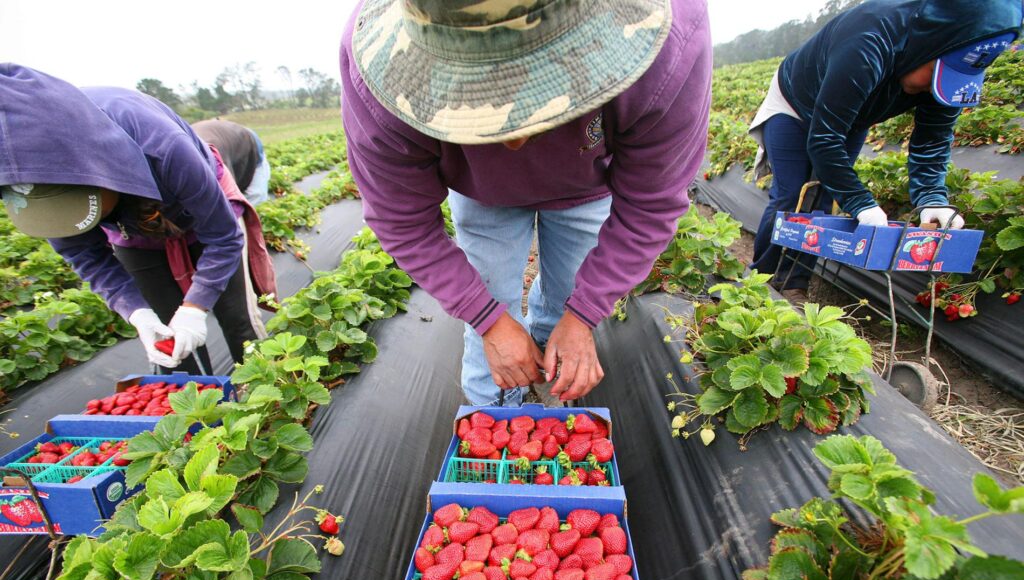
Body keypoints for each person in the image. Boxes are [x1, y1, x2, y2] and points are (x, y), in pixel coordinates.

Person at [342, 0, 711, 406]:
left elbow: (650, 204)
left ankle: (554, 396)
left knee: (566, 304)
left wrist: (583, 314)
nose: (513, 139)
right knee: (490, 313)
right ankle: (493, 420)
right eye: (477, 98)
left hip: (584, 184)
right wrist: (488, 320)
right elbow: (403, 223)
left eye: (538, 91)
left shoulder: (667, 44)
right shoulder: (380, 80)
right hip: (481, 192)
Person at [0, 64, 274, 374]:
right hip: (132, 234)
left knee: (237, 319)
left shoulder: (163, 146)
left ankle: (262, 397)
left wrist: (195, 308)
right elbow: (83, 253)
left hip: (197, 213)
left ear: (101, 171)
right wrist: (135, 312)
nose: (72, 220)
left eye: (77, 205)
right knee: (168, 337)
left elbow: (223, 238)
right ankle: (198, 410)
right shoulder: (30, 169)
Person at [747, 0, 1023, 305]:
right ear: (929, 46)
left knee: (824, 199)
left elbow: (932, 141)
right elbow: (825, 138)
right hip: (795, 103)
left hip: (855, 114)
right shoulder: (869, 41)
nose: (935, 88)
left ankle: (794, 284)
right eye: (935, 75)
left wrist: (933, 197)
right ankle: (760, 279)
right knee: (792, 193)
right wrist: (860, 202)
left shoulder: (945, 70)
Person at [192, 119, 272, 205]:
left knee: (255, 196)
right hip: (220, 135)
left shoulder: (215, 160)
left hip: (246, 140)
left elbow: (229, 196)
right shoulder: (183, 162)